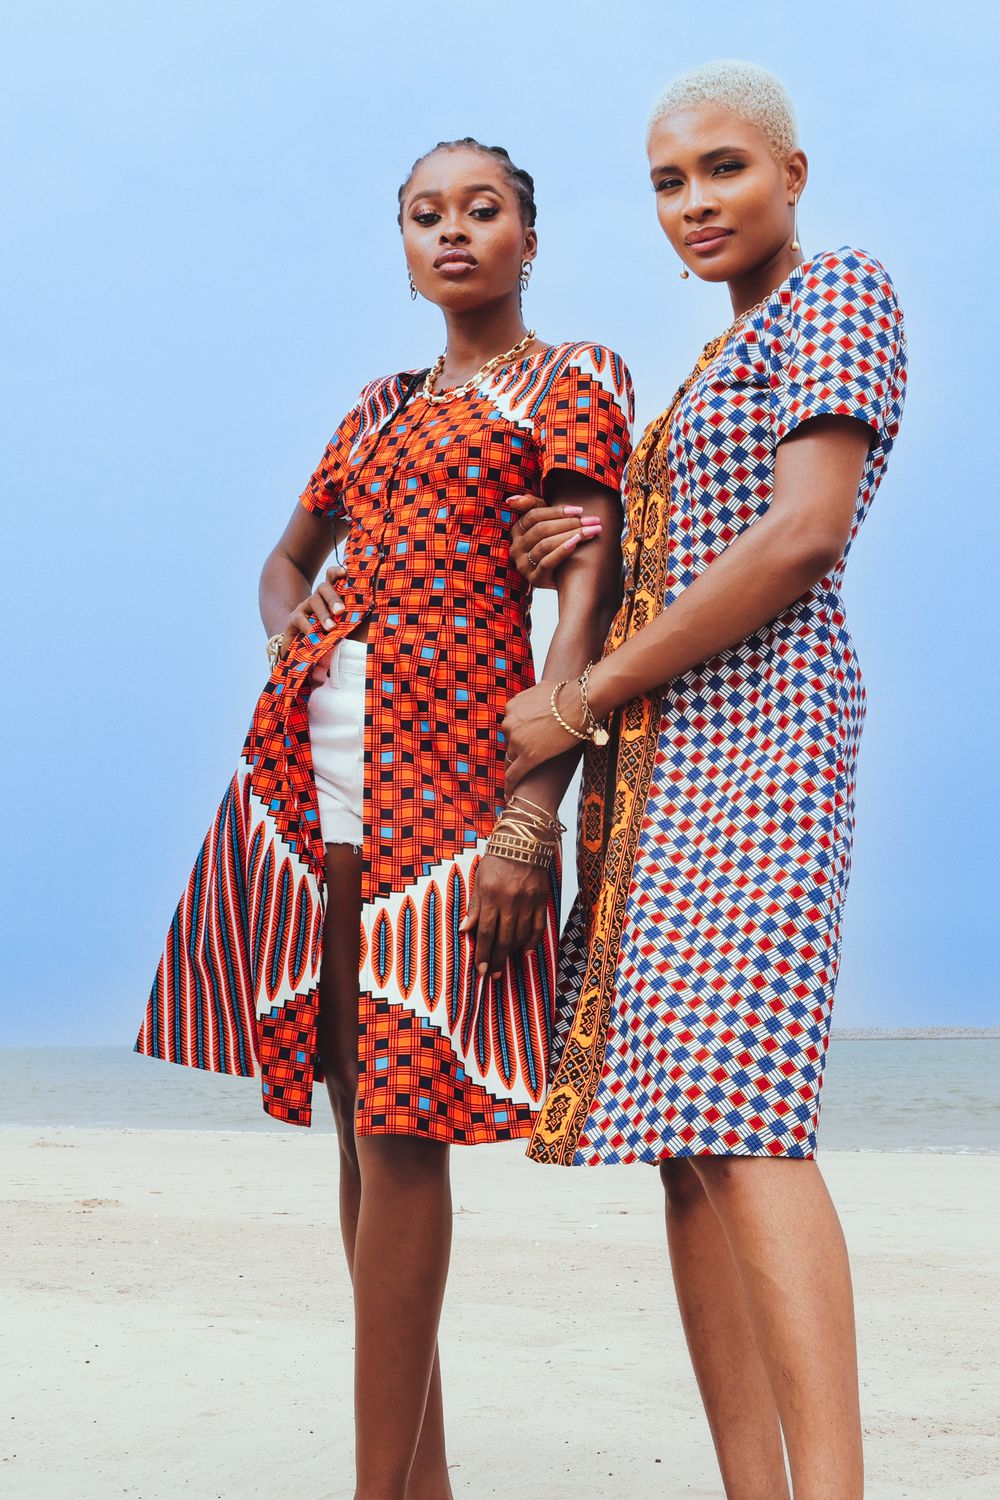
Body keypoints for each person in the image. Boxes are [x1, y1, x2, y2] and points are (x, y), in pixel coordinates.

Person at [135, 137, 632, 1499]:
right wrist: (307, 652)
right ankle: (422, 1478)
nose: (454, 232)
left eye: (485, 211)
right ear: (403, 244)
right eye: (427, 215)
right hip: (312, 785)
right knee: (361, 1126)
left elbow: (583, 606)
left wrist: (535, 818)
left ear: (529, 239)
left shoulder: (575, 376)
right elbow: (287, 562)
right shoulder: (374, 403)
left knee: (409, 1126)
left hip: (459, 786)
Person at [503, 62, 907, 1500]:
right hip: (667, 768)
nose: (696, 202)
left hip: (767, 743)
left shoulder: (840, 294)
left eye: (725, 169)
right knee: (681, 1138)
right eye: (669, 182)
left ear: (793, 172)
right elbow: (673, 544)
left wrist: (589, 693)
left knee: (745, 1119)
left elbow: (802, 537)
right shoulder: (703, 375)